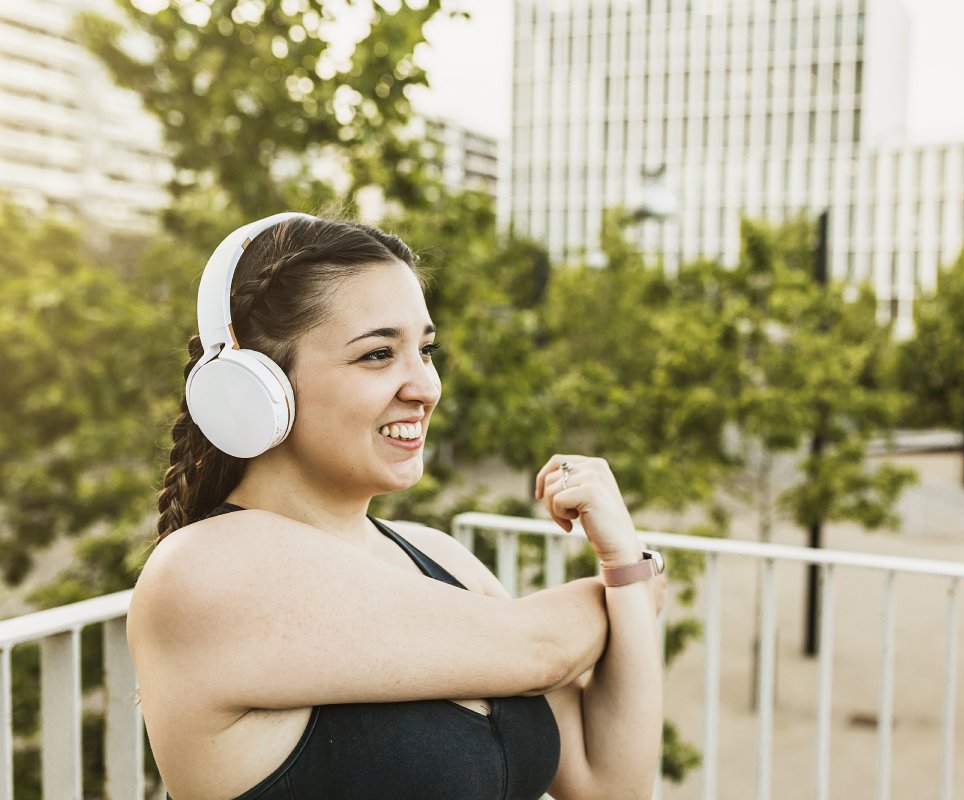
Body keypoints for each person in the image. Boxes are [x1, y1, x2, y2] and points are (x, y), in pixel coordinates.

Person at [128, 212, 667, 800]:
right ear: (259, 388)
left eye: (426, 351)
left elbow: (609, 787)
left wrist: (625, 566)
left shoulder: (439, 556)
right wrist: (634, 592)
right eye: (378, 355)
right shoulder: (201, 573)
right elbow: (544, 650)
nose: (426, 388)